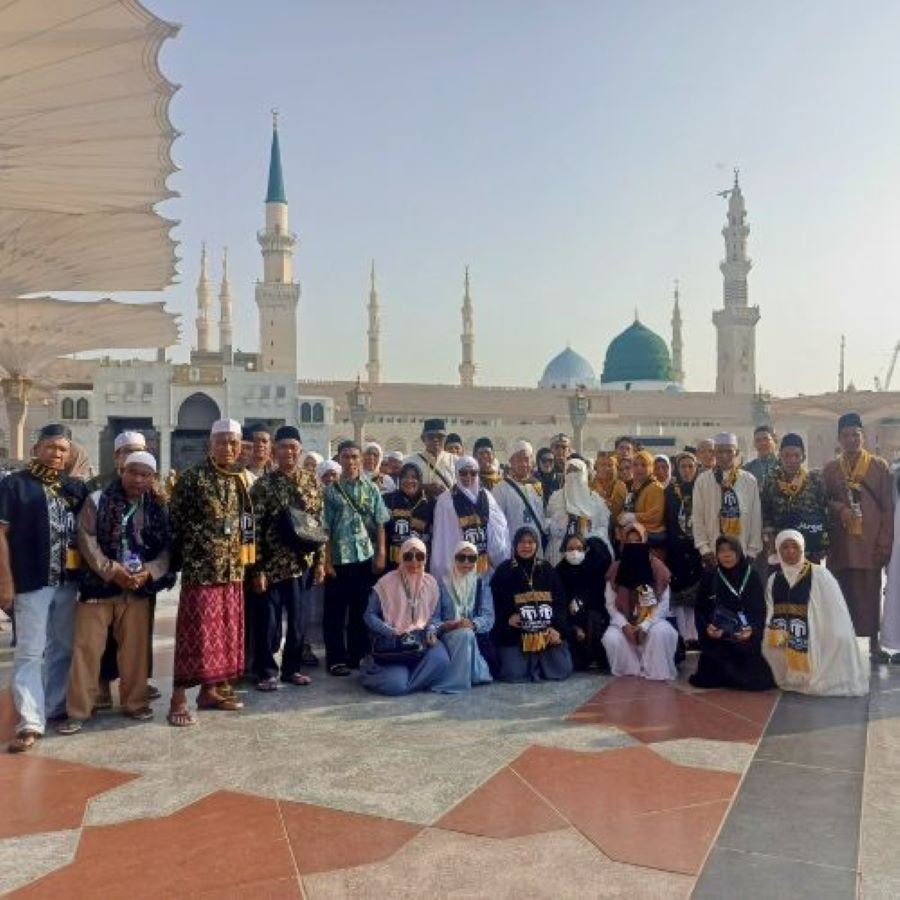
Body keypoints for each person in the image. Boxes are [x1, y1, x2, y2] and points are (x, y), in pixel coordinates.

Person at [58, 451, 172, 734]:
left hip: (136, 589)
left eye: (145, 475)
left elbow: (167, 549)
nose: (138, 479)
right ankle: (78, 711)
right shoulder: (98, 499)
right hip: (98, 587)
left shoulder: (158, 506)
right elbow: (86, 539)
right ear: (122, 471)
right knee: (87, 650)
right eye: (133, 472)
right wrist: (112, 570)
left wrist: (149, 571)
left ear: (153, 478)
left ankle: (135, 703)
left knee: (135, 651)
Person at [0, 424, 88, 752]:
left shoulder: (72, 488)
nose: (56, 454)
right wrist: (5, 580)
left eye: (63, 449)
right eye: (50, 447)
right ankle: (30, 721)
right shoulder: (14, 485)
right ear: (36, 449)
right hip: (31, 581)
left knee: (62, 646)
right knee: (30, 650)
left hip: (67, 582)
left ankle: (54, 706)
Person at [167, 419, 254, 727]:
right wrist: (179, 561)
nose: (227, 448)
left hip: (232, 570)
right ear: (210, 444)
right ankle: (178, 697)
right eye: (221, 442)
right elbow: (174, 523)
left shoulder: (240, 480)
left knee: (224, 634)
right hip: (201, 571)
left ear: (240, 447)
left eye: (233, 443)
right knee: (194, 634)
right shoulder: (192, 479)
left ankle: (210, 692)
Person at [250, 426, 325, 691]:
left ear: (300, 450)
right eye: (283, 447)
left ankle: (292, 668)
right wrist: (257, 568)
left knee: (297, 620)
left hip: (301, 564)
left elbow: (318, 525)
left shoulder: (312, 482)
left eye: (293, 447)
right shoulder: (263, 486)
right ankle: (266, 671)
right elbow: (253, 529)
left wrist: (320, 562)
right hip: (271, 565)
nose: (288, 452)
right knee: (268, 622)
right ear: (275, 450)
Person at [823, 412, 894, 660]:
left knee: (871, 593)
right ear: (839, 439)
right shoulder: (831, 469)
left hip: (870, 541)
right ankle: (844, 645)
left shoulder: (878, 466)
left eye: (855, 435)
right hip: (841, 543)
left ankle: (874, 644)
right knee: (841, 593)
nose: (851, 440)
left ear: (863, 436)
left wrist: (885, 542)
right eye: (846, 436)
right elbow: (824, 501)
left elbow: (888, 508)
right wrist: (839, 508)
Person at [763, 529, 868, 695]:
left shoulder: (820, 574)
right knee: (765, 641)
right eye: (785, 547)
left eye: (795, 547)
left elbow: (835, 611)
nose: (790, 551)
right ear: (778, 550)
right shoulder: (774, 579)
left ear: (802, 549)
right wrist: (773, 630)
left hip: (817, 629)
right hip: (783, 630)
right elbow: (770, 609)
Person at [322, 441, 389, 676]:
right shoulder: (330, 491)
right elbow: (325, 529)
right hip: (339, 559)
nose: (350, 461)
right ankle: (336, 659)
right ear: (339, 459)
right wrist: (326, 561)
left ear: (360, 459)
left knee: (361, 610)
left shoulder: (371, 488)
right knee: (335, 613)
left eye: (354, 456)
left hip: (364, 557)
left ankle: (357, 655)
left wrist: (381, 553)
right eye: (345, 457)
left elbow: (380, 522)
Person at [360, 538, 451, 695]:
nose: (414, 561)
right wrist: (391, 631)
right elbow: (369, 615)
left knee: (441, 660)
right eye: (408, 556)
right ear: (401, 557)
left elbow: (435, 617)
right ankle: (401, 679)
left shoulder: (431, 583)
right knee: (395, 684)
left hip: (421, 640)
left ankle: (406, 682)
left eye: (420, 556)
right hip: (395, 643)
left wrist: (431, 630)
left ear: (425, 558)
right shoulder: (386, 582)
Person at [689, 536, 774, 690]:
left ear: (739, 552)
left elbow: (759, 610)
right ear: (717, 554)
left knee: (756, 682)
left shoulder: (752, 576)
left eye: (731, 550)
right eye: (721, 551)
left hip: (743, 636)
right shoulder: (710, 576)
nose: (726, 555)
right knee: (706, 679)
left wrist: (752, 630)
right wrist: (707, 628)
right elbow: (701, 609)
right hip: (719, 636)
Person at [489, 526, 573, 682]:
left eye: (530, 542)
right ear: (515, 544)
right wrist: (507, 619)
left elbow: (560, 602)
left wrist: (557, 629)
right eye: (521, 542)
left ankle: (536, 663)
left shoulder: (547, 569)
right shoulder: (504, 571)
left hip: (545, 633)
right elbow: (494, 602)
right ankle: (533, 664)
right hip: (516, 634)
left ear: (537, 545)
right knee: (513, 673)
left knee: (562, 669)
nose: (526, 546)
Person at [602, 524, 679, 681]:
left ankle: (653, 670)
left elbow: (664, 604)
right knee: (612, 638)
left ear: (645, 542)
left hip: (653, 621)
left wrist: (645, 625)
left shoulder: (658, 568)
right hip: (625, 622)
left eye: (638, 541)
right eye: (629, 542)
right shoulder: (615, 569)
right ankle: (631, 672)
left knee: (661, 633)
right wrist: (624, 625)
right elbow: (610, 604)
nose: (634, 546)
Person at [431, 455, 509, 583]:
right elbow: (442, 540)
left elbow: (499, 528)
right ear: (457, 473)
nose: (468, 477)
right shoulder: (445, 501)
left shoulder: (487, 496)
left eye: (473, 473)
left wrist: (498, 556)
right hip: (458, 567)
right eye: (463, 473)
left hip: (484, 567)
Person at [432, 540, 496, 689]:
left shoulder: (481, 584)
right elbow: (434, 618)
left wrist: (473, 624)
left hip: (474, 635)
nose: (466, 562)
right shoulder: (442, 584)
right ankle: (461, 680)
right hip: (448, 635)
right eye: (461, 558)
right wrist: (448, 625)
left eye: (471, 558)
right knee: (465, 634)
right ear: (454, 559)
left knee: (467, 633)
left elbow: (488, 616)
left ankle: (463, 676)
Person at [693, 432, 762, 567]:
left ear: (736, 452)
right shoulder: (703, 480)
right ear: (714, 453)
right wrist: (704, 549)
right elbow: (697, 517)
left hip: (742, 550)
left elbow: (755, 517)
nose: (724, 456)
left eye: (729, 451)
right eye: (720, 451)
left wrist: (752, 551)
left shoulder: (749, 480)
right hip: (712, 551)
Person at [761, 433, 829, 564]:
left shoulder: (815, 479)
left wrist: (823, 543)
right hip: (781, 547)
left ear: (803, 457)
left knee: (809, 577)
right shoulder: (771, 480)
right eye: (787, 455)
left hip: (810, 547)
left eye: (796, 455)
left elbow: (825, 511)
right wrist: (770, 542)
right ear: (780, 456)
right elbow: (766, 513)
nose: (792, 460)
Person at [665, 452, 704, 645]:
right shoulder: (670, 491)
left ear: (696, 468)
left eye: (691, 466)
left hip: (697, 546)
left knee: (695, 591)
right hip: (676, 547)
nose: (687, 470)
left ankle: (694, 634)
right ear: (677, 469)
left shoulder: (702, 488)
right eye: (683, 467)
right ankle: (682, 634)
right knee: (679, 590)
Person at [556, 533, 611, 671]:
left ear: (585, 550)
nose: (574, 552)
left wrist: (582, 600)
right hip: (568, 621)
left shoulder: (593, 570)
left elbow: (598, 599)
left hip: (591, 620)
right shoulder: (558, 571)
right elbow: (558, 603)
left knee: (594, 618)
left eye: (579, 549)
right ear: (564, 550)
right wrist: (574, 627)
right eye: (570, 549)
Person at [546, 457, 613, 566]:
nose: (573, 475)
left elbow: (603, 526)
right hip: (559, 551)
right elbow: (547, 519)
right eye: (569, 471)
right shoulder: (556, 497)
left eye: (576, 471)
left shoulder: (595, 500)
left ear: (584, 474)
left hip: (588, 550)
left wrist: (589, 534)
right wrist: (557, 525)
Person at [493, 441, 547, 553]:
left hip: (536, 547)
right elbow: (497, 524)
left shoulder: (536, 486)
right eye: (519, 460)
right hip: (513, 547)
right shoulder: (501, 488)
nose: (523, 464)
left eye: (526, 459)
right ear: (511, 462)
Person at [383, 462, 435, 570]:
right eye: (405, 477)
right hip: (393, 562)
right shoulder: (388, 500)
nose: (409, 481)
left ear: (420, 481)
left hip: (419, 563)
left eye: (414, 477)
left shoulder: (430, 503)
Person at [617, 450, 666, 554]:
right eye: (635, 465)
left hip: (652, 536)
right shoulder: (634, 487)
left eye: (644, 465)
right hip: (634, 532)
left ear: (651, 468)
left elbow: (655, 516)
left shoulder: (655, 487)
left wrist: (633, 517)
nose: (639, 468)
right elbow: (627, 509)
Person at [404, 418, 455, 498]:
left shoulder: (455, 461)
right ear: (423, 438)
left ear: (445, 439)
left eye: (439, 436)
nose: (435, 439)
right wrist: (424, 487)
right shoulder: (411, 462)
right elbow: (402, 487)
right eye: (431, 436)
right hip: (421, 505)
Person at [591, 451, 627, 526]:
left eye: (610, 465)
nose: (606, 468)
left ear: (615, 467)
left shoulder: (620, 486)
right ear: (596, 466)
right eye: (603, 465)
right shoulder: (589, 485)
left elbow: (616, 513)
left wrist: (603, 498)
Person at [743, 425, 778, 490]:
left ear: (775, 441)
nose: (763, 443)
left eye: (766, 439)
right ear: (754, 444)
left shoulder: (785, 466)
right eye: (758, 440)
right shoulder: (748, 469)